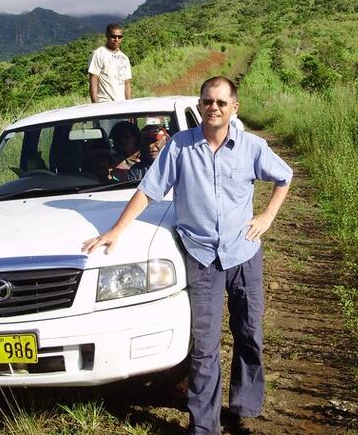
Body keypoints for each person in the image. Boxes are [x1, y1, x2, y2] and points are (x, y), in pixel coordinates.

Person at [82, 76, 293, 434]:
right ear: (200, 106)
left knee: (249, 330)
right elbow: (148, 192)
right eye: (208, 101)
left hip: (243, 253)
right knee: (205, 344)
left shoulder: (251, 147)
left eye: (221, 103)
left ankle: (245, 404)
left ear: (233, 108)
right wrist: (117, 230)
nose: (214, 108)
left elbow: (284, 176)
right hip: (201, 256)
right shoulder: (180, 147)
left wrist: (267, 216)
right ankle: (204, 425)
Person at [88, 23, 132, 103]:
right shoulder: (98, 54)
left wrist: (129, 106)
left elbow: (127, 84)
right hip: (105, 103)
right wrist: (95, 105)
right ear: (107, 35)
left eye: (119, 37)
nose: (116, 39)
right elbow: (93, 79)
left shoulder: (124, 58)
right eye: (113, 36)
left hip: (122, 105)